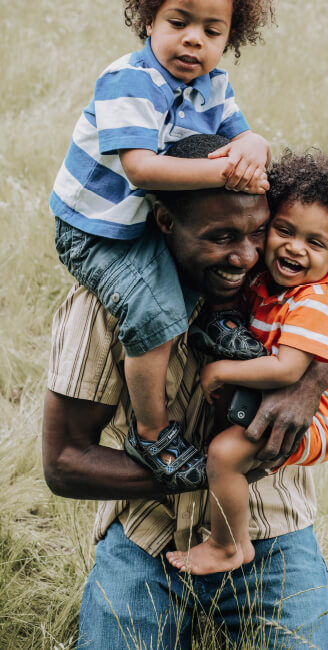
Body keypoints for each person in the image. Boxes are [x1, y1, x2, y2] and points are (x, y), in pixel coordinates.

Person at [43, 136, 328, 649]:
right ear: (165, 222)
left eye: (258, 231)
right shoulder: (111, 298)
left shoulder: (286, 260)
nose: (244, 255)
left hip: (271, 527)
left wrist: (311, 380)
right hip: (146, 533)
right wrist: (213, 474)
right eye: (220, 237)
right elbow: (64, 461)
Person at [50, 0, 273, 486]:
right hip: (98, 230)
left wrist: (254, 144)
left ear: (229, 39)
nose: (194, 39)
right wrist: (229, 171)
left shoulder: (213, 85)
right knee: (153, 311)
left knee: (219, 251)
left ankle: (213, 319)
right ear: (148, 20)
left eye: (213, 31)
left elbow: (240, 137)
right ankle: (151, 432)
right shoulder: (129, 79)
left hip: (150, 218)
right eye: (179, 22)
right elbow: (142, 168)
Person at [166, 148, 328, 574]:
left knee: (225, 453)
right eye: (284, 230)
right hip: (280, 392)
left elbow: (288, 370)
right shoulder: (270, 283)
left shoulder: (315, 300)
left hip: (318, 417)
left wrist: (221, 369)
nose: (294, 247)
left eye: (315, 242)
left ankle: (230, 546)